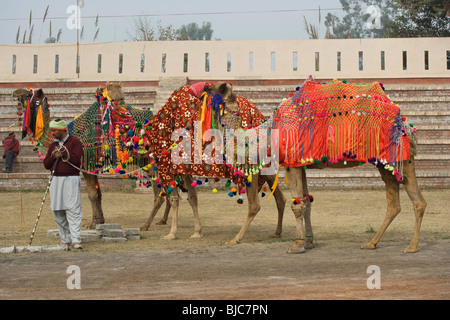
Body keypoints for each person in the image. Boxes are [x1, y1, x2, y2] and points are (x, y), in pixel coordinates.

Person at [43, 119, 84, 250]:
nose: (52, 133)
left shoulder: (75, 142)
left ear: (61, 130)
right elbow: (46, 165)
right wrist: (53, 156)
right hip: (55, 180)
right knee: (58, 210)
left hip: (71, 179)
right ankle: (65, 239)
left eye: (54, 130)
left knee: (73, 209)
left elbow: (77, 160)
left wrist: (63, 153)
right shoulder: (52, 146)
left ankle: (76, 239)